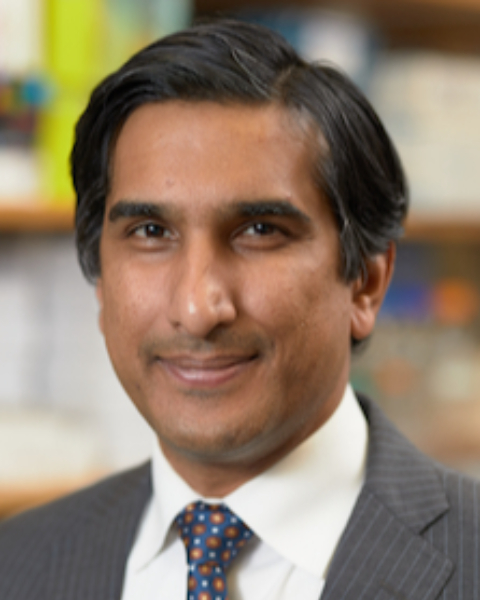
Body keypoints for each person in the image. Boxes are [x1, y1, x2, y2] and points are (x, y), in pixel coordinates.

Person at [0, 18, 478, 600]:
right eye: (151, 231)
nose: (198, 308)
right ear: (99, 283)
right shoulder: (17, 565)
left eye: (259, 231)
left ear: (365, 284)